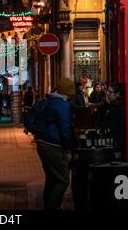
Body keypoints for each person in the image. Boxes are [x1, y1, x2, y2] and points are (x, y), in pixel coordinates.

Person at [35, 77, 75, 210]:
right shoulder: (62, 105)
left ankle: (48, 205)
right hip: (53, 145)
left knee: (51, 178)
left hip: (42, 143)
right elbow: (65, 129)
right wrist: (68, 150)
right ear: (68, 92)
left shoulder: (49, 101)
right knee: (63, 179)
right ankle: (53, 206)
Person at [101, 83, 126, 160]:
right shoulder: (112, 106)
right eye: (107, 91)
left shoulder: (120, 108)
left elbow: (120, 128)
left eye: (110, 92)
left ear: (117, 94)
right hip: (112, 143)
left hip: (118, 146)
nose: (107, 93)